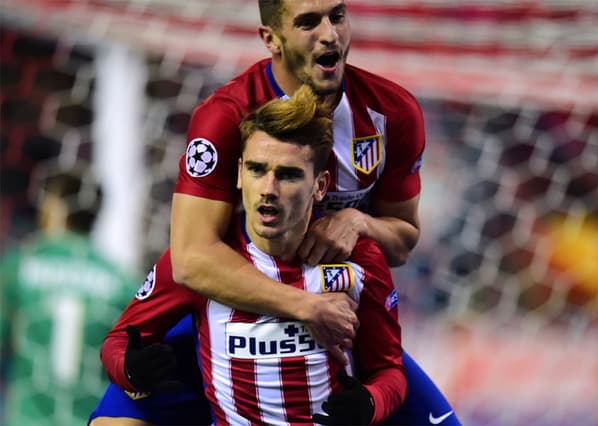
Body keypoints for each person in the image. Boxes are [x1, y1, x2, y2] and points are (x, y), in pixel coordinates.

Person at [92, 0, 460, 424]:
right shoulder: (226, 117)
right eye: (308, 22)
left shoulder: (391, 113)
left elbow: (403, 240)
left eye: (337, 16)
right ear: (271, 39)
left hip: (333, 327)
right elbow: (191, 261)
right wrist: (303, 306)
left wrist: (359, 221)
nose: (330, 34)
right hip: (229, 312)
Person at [98, 86, 406, 425]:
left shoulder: (359, 258)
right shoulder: (201, 262)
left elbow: (389, 370)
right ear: (240, 173)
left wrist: (369, 403)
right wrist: (132, 369)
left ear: (320, 185)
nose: (269, 189)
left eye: (288, 175)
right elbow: (116, 343)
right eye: (258, 170)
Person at [0, 164, 135, 426]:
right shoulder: (123, 281)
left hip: (26, 418)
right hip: (88, 418)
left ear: (55, 209)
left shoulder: (21, 265)